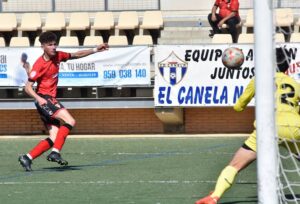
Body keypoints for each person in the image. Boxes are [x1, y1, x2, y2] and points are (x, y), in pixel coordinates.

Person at [195, 47, 300, 204]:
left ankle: (214, 196)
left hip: (267, 128)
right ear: (287, 66)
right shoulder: (295, 84)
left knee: (235, 165)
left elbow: (239, 106)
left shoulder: (259, 80)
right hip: (294, 128)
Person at [18, 31, 109, 171]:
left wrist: (96, 49)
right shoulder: (40, 64)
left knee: (54, 137)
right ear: (43, 46)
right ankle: (55, 153)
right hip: (45, 99)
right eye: (50, 45)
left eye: (55, 44)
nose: (54, 47)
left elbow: (76, 55)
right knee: (70, 121)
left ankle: (27, 157)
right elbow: (27, 87)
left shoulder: (58, 55)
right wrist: (39, 98)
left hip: (46, 100)